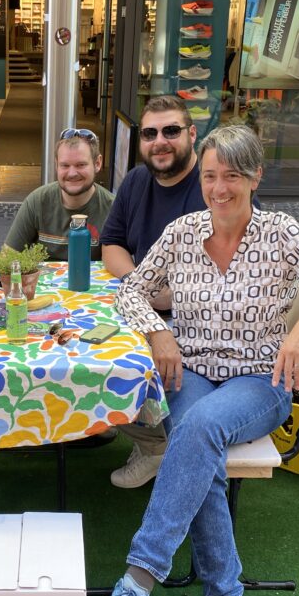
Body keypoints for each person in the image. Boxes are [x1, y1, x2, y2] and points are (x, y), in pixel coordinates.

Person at [87, 124, 299, 596]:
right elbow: (129, 291)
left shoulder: (281, 233)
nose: (219, 188)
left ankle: (136, 584)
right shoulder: (183, 231)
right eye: (212, 176)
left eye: (233, 177)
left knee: (195, 431)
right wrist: (159, 332)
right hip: (191, 371)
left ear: (255, 177)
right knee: (203, 453)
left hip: (258, 383)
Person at [101, 95, 206, 488]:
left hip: (198, 321)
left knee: (120, 368)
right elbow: (111, 244)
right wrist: (138, 285)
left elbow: (243, 270)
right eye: (150, 133)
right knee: (76, 347)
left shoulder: (213, 184)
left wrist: (175, 297)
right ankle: (146, 438)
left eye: (171, 131)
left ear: (191, 134)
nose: (159, 141)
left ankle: (156, 446)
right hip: (141, 305)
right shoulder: (136, 180)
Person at [4, 128, 114, 260]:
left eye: (80, 165)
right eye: (65, 165)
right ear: (56, 165)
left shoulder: (113, 208)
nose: (72, 173)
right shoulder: (37, 201)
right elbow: (8, 257)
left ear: (97, 163)